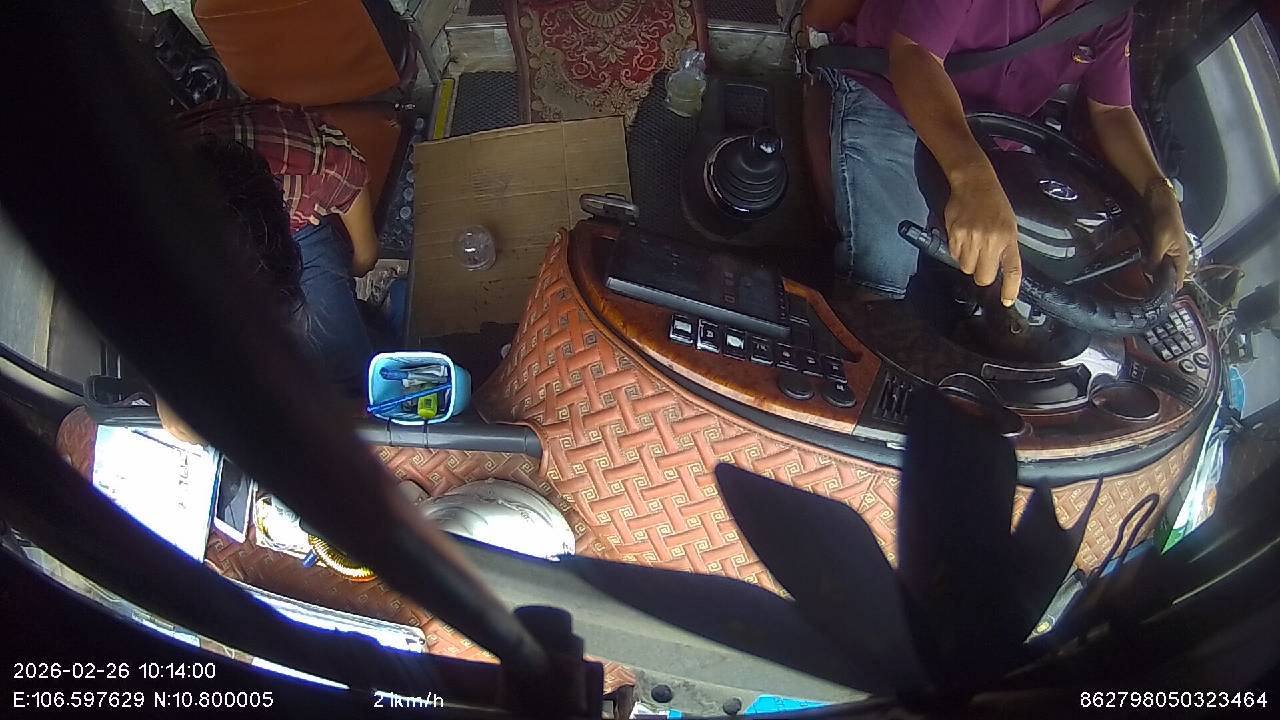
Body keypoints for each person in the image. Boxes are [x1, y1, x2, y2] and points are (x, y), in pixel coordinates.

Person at [821, 0, 1191, 306]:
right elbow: (916, 55)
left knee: (1041, 286)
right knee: (883, 273)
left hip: (992, 137)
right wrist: (974, 179)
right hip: (891, 93)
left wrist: (1160, 195)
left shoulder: (1108, 13)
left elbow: (1112, 112)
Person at [157, 101, 380, 442]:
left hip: (290, 225)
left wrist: (361, 262)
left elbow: (358, 217)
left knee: (350, 377)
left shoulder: (307, 168)